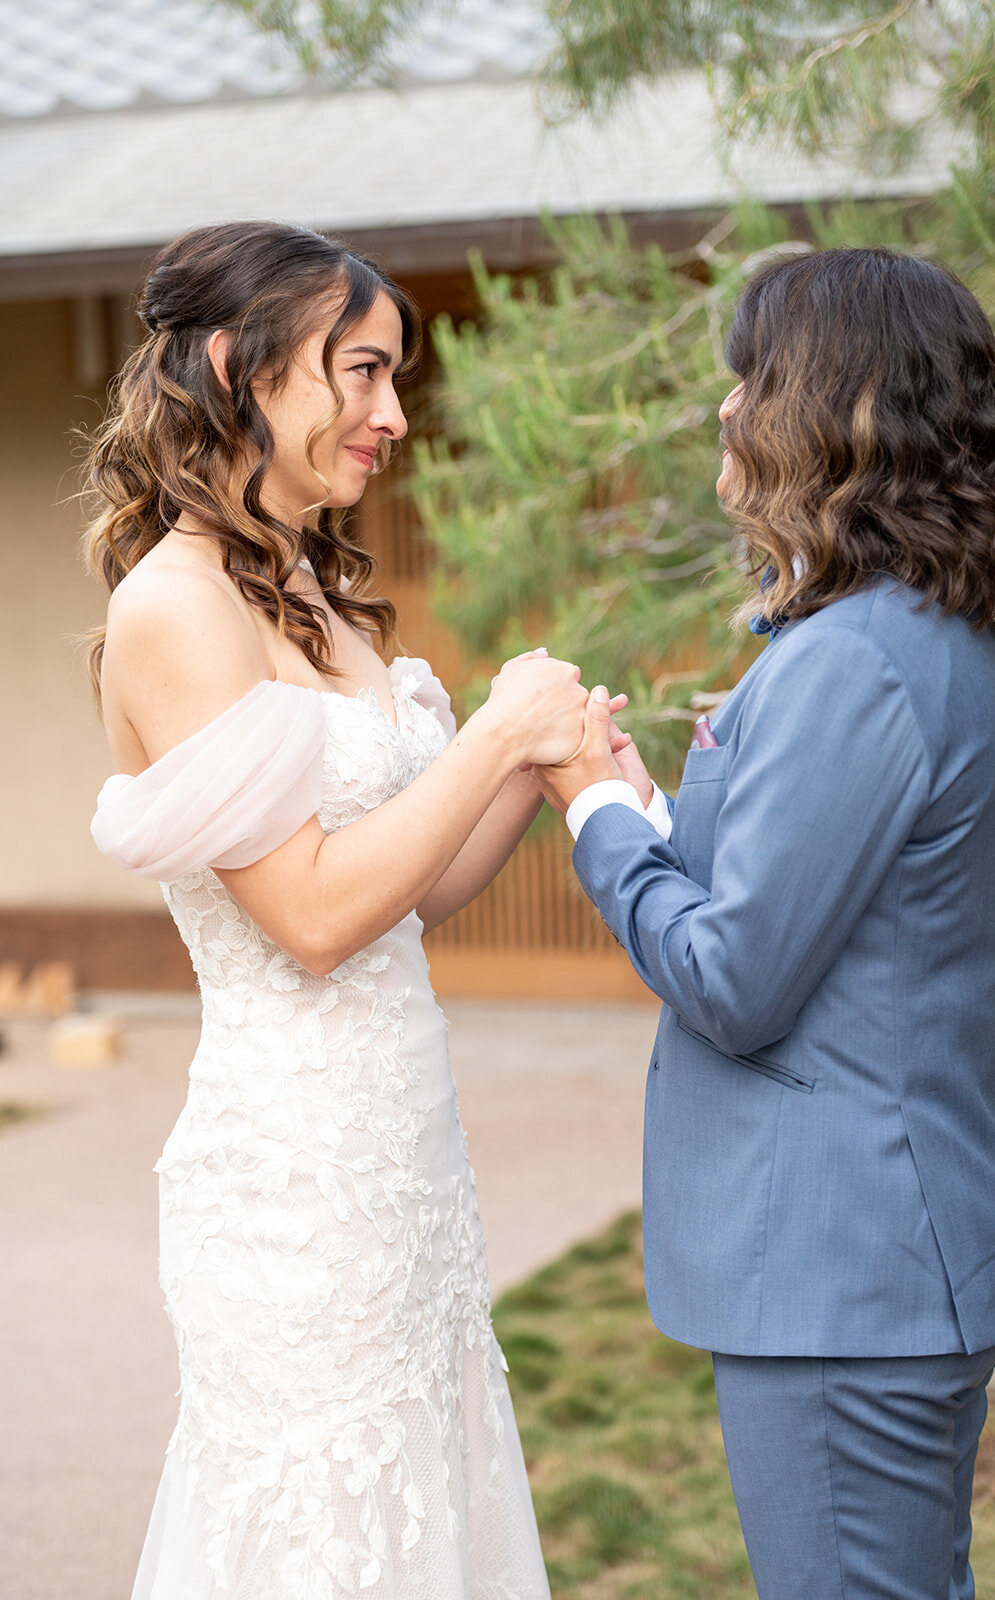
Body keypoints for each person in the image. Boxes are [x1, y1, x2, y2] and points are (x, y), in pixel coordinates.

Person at [85, 219, 614, 1600]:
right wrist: (492, 739)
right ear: (237, 368)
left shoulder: (317, 590)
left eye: (396, 380)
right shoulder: (179, 608)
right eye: (362, 373)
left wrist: (544, 764)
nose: (392, 416)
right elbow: (312, 921)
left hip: (405, 1162)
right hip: (296, 1189)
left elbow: (410, 890)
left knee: (422, 1502)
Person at [536, 247, 995, 1600]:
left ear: (836, 407)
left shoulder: (856, 663)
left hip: (845, 1271)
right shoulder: (916, 637)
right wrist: (655, 812)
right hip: (891, 1254)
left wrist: (593, 811)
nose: (723, 411)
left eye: (750, 380)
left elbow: (731, 975)